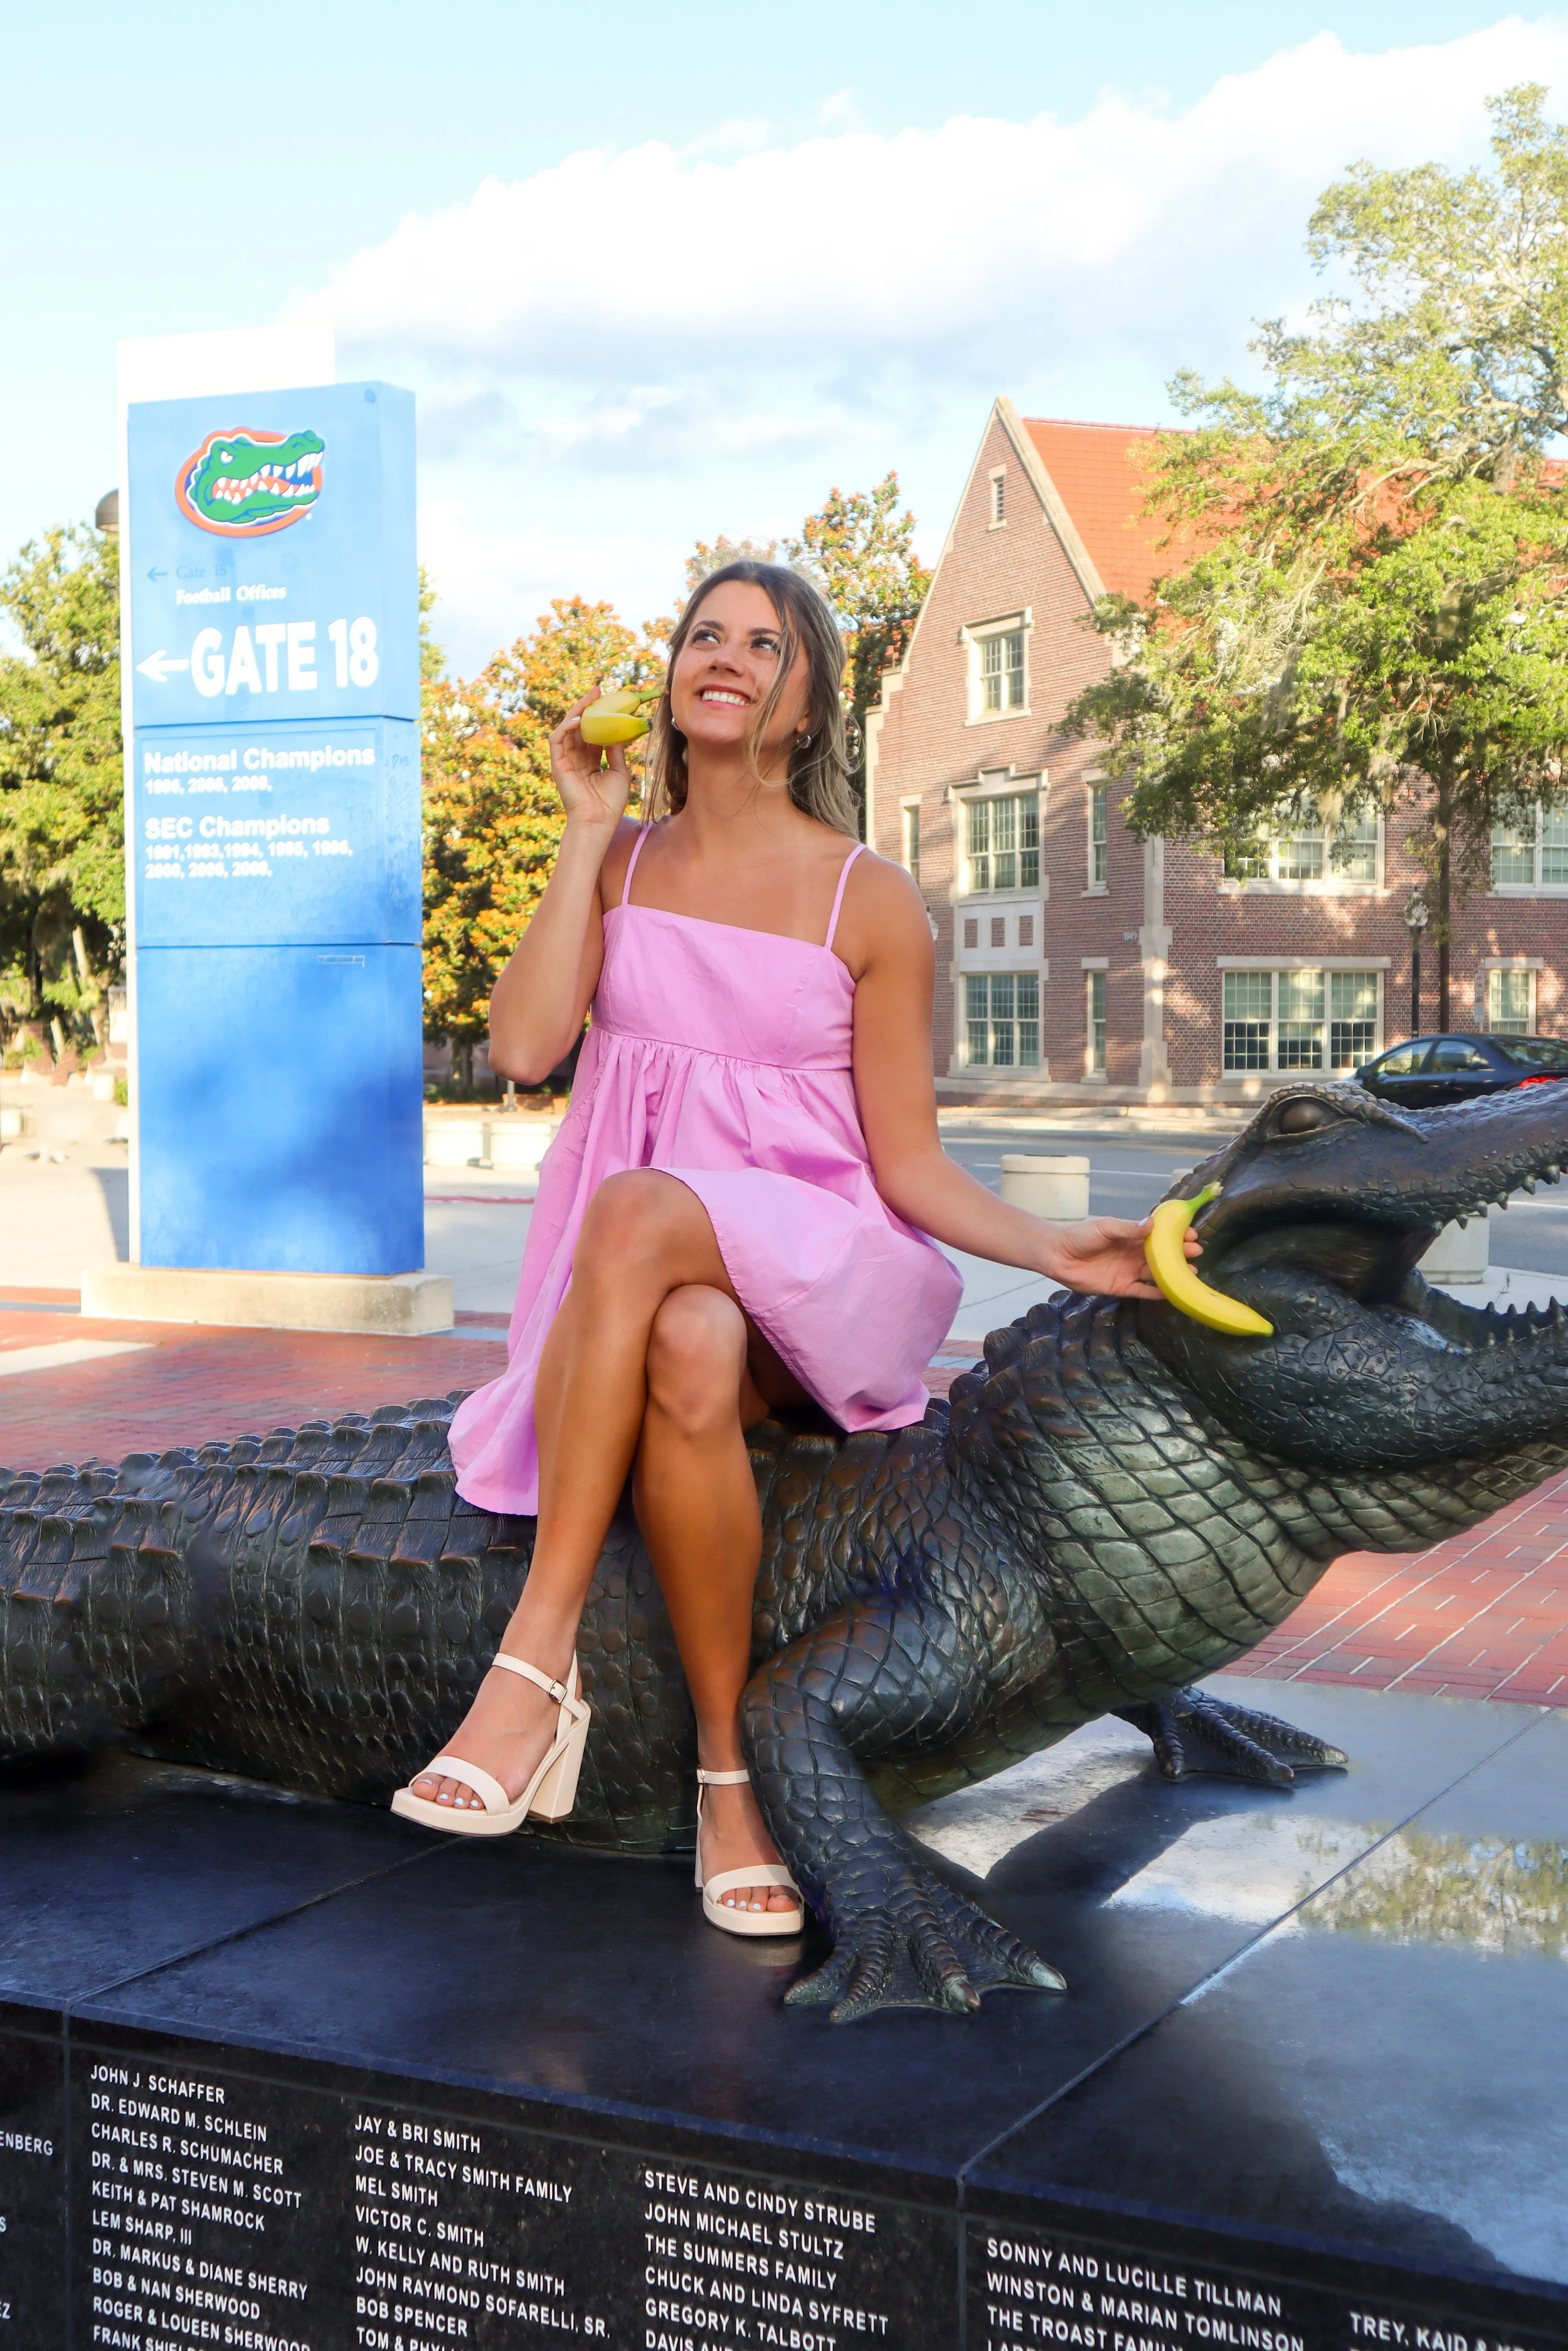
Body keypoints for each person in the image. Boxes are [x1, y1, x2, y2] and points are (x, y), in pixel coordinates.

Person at [392, 561, 1188, 1937]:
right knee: (688, 1340)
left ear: (810, 705)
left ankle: (537, 1656)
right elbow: (522, 1050)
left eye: (765, 645)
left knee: (637, 1209)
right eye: (703, 635)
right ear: (670, 682)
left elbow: (908, 1163)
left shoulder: (865, 898)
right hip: (648, 1294)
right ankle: (728, 1776)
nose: (726, 655)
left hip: (820, 1264)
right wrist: (585, 830)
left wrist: (1054, 1247)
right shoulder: (622, 864)